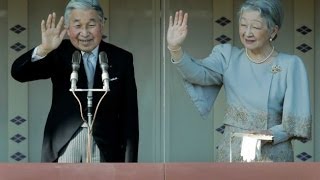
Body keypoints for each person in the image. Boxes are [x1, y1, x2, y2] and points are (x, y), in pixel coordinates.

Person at [166, 0, 311, 162]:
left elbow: (296, 122)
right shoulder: (227, 56)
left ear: (273, 31)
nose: (247, 33)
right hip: (233, 151)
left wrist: (267, 135)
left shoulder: (290, 65)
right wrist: (175, 49)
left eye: (255, 27)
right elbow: (198, 74)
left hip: (274, 154)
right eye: (243, 25)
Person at [11, 0, 139, 163]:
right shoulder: (58, 52)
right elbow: (18, 73)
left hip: (107, 146)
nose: (84, 33)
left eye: (91, 25)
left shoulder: (122, 58)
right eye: (77, 25)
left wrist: (130, 165)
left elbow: (130, 116)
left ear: (102, 25)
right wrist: (44, 49)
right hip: (65, 143)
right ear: (67, 28)